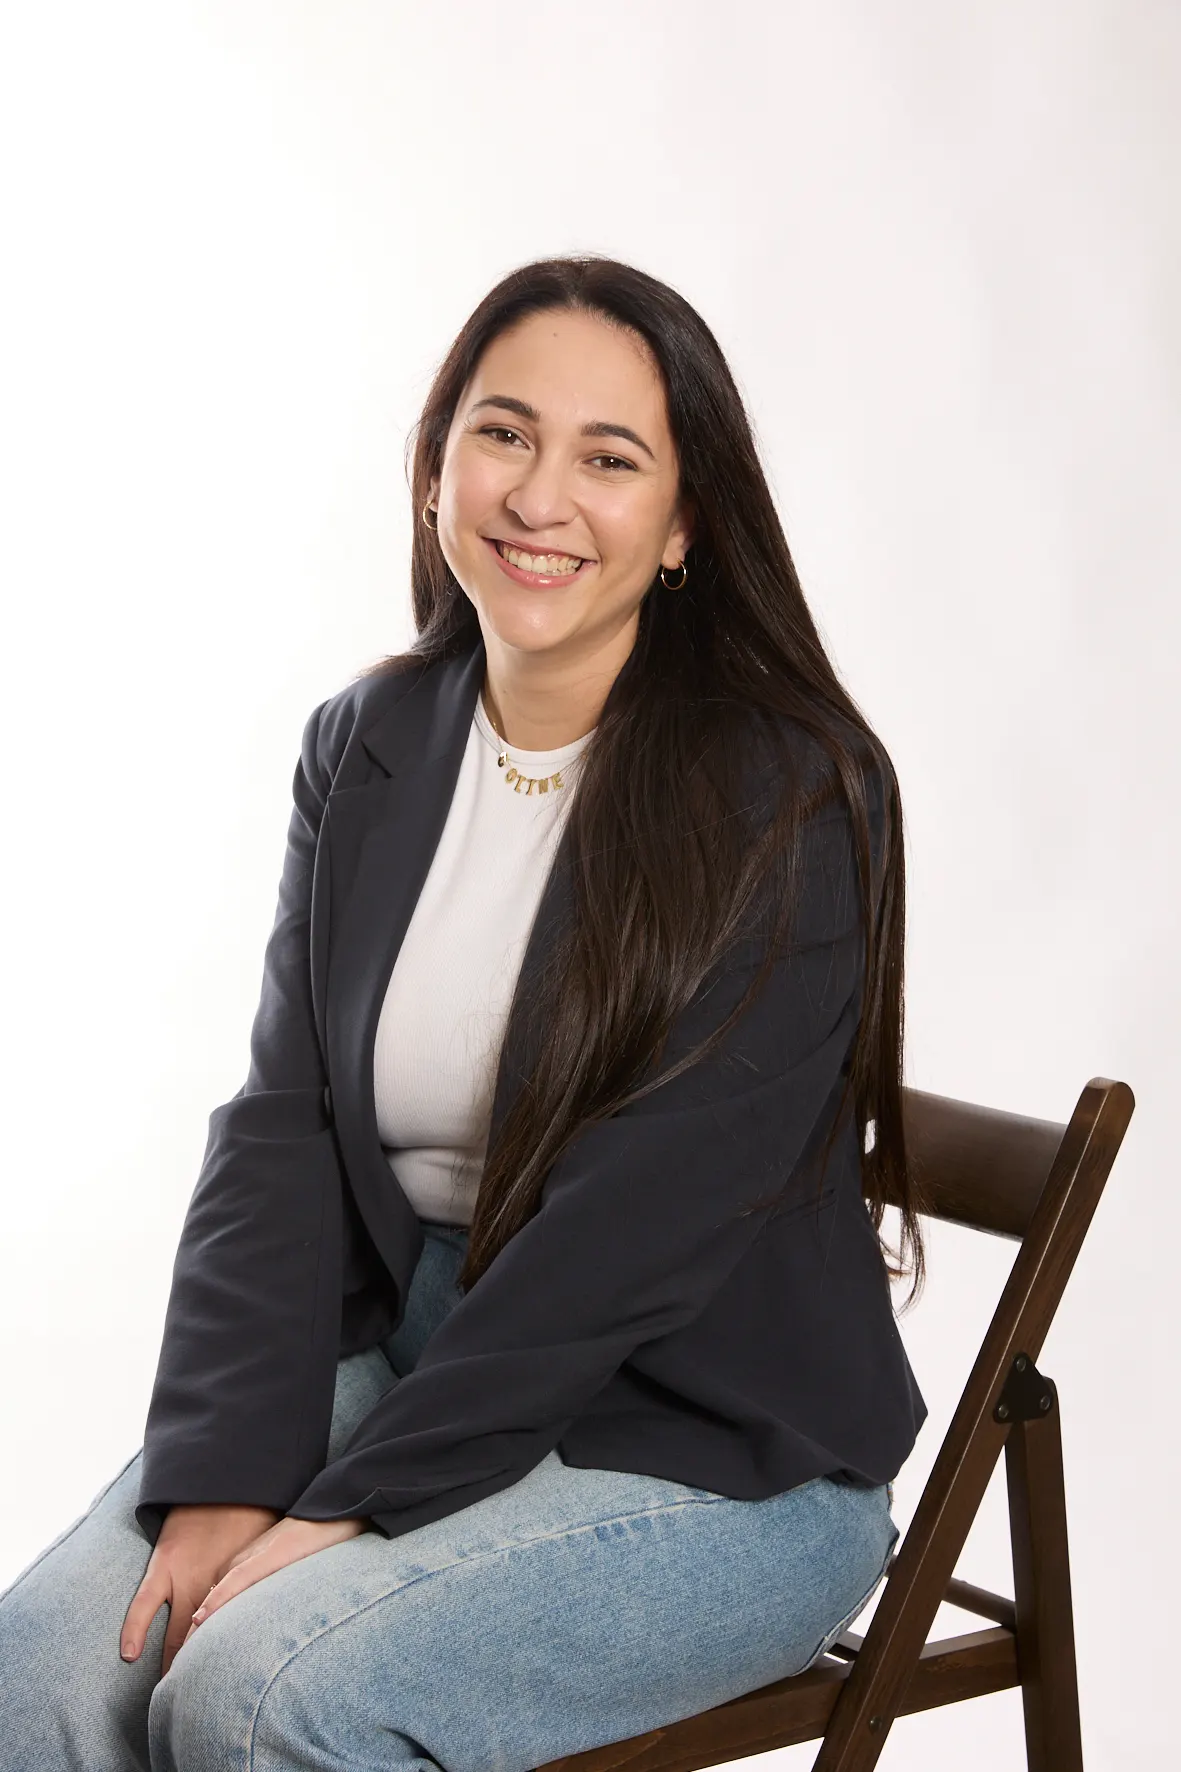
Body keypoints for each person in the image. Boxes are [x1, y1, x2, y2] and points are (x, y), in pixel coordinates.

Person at [0, 255, 927, 1772]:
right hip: (429, 1362)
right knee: (40, 1675)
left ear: (688, 523)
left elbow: (633, 1231)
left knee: (254, 1694)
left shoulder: (788, 795)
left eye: (610, 459)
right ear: (435, 465)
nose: (540, 496)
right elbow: (283, 1132)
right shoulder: (369, 743)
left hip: (717, 1456)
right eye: (503, 435)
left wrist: (354, 1500)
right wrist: (233, 1464)